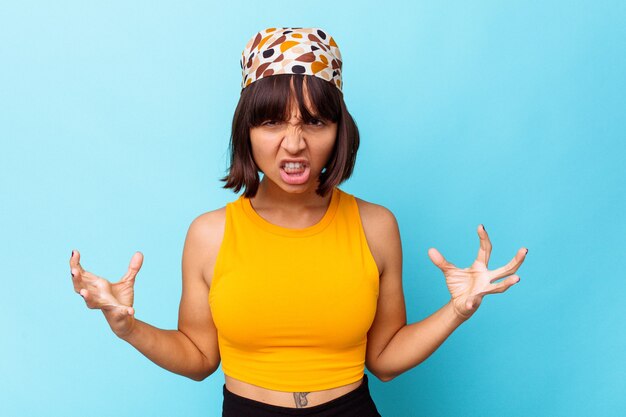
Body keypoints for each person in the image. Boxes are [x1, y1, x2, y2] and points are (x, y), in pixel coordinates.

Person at [69, 27, 528, 417]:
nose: (294, 143)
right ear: (246, 133)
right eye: (271, 122)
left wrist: (458, 311)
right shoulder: (209, 234)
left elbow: (385, 361)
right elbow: (199, 357)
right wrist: (126, 327)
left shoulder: (375, 225)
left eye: (313, 122)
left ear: (338, 130)